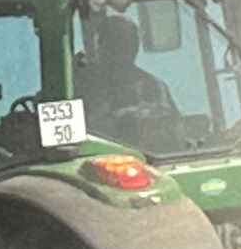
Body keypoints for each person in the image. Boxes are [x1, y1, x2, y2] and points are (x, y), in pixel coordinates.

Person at [74, 8, 199, 152]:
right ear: (101, 46)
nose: (122, 51)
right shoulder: (80, 86)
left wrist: (153, 122)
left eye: (128, 43)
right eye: (114, 43)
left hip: (154, 159)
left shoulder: (154, 87)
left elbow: (175, 131)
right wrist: (118, 120)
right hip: (100, 158)